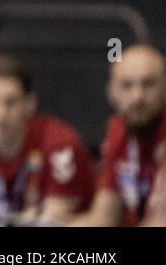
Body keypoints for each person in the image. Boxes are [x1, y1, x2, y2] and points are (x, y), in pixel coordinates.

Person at [0, 55, 94, 226]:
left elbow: (54, 221)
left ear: (30, 104)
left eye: (11, 102)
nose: (0, 114)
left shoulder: (60, 146)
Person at [70, 45, 166, 226]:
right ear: (111, 92)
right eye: (127, 85)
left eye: (148, 84)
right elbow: (104, 217)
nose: (137, 96)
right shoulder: (118, 130)